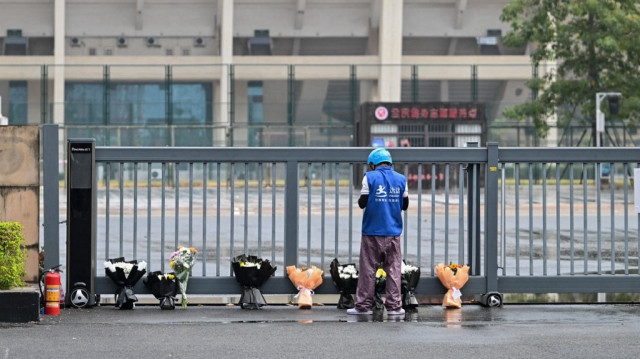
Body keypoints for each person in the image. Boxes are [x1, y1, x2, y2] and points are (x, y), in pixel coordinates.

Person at [347, 148, 409, 317]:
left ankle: (363, 306)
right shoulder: (401, 179)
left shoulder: (369, 177)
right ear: (389, 163)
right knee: (394, 269)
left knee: (368, 269)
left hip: (372, 231)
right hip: (393, 232)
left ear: (373, 164)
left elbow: (362, 202)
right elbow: (405, 205)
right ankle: (395, 307)